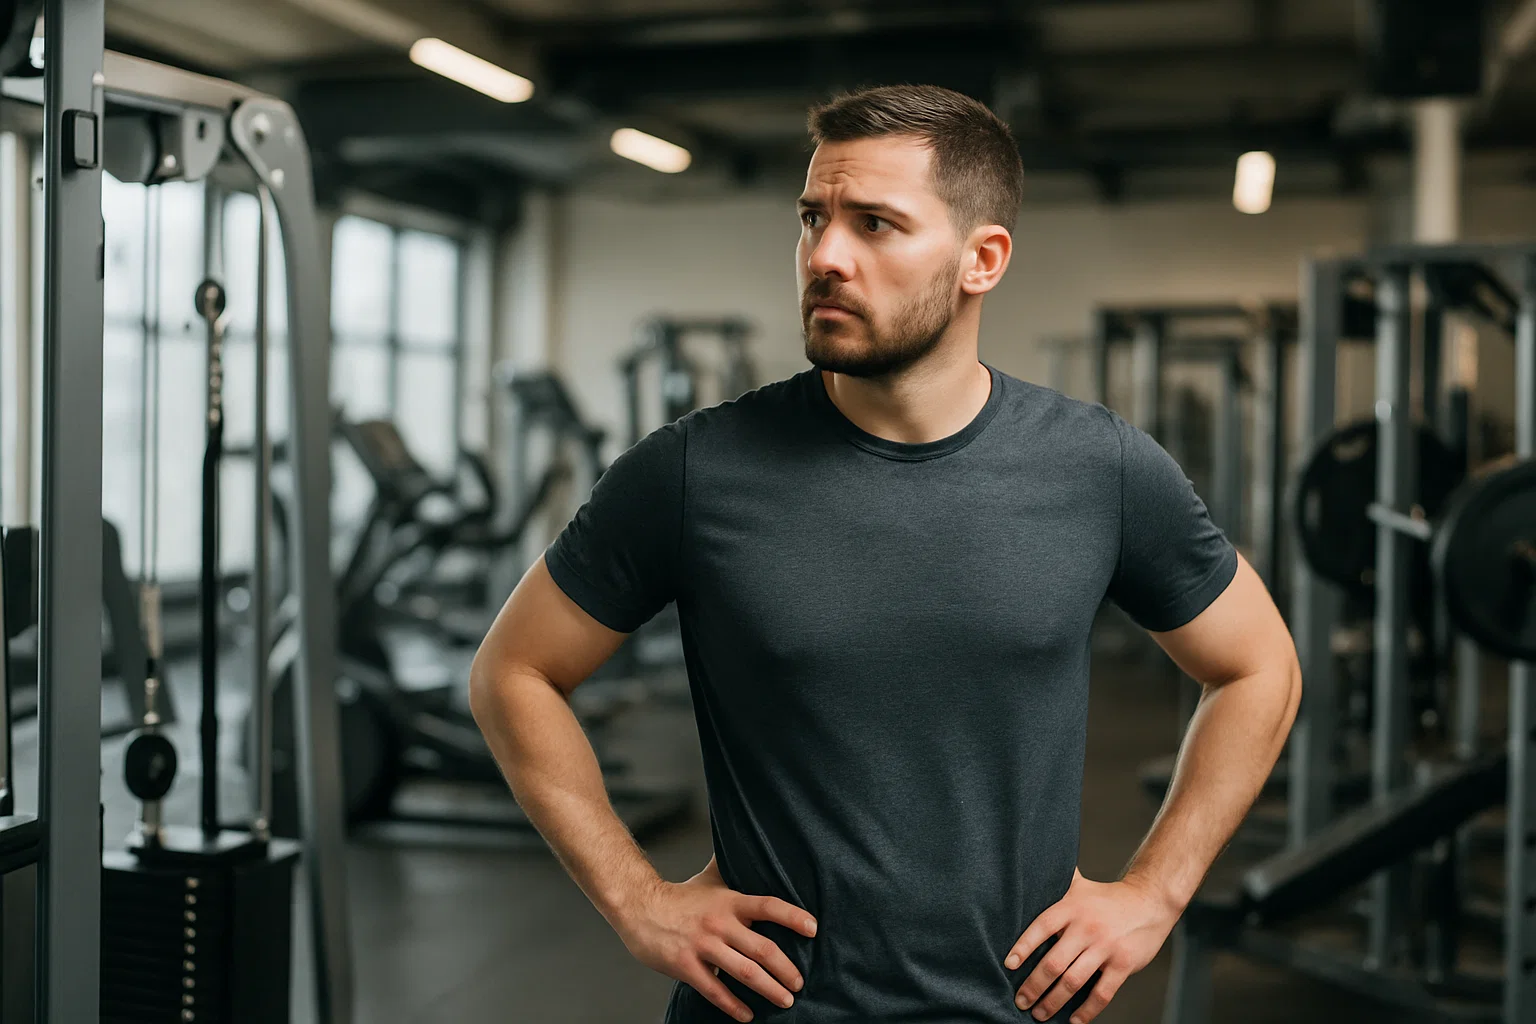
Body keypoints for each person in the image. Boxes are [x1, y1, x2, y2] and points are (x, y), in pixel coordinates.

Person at [469, 84, 1301, 1024]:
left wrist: (1155, 894)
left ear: (982, 260)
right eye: (813, 218)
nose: (826, 256)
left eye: (875, 224)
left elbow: (1258, 666)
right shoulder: (695, 470)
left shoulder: (1099, 468)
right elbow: (515, 671)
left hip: (1011, 1006)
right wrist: (636, 901)